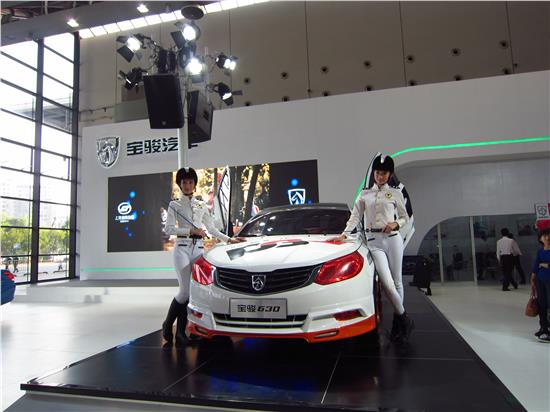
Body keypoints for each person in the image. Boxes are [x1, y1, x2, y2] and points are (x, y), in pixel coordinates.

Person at [331, 154, 414, 343]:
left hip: (392, 240)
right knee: (386, 284)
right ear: (374, 173)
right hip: (374, 242)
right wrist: (345, 234)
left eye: (384, 173)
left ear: (389, 174)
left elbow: (405, 217)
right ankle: (405, 319)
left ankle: (398, 323)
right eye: (377, 173)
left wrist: (396, 224)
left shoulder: (395, 193)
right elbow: (355, 216)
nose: (380, 176)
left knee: (397, 282)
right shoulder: (364, 194)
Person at [162, 167, 244, 346]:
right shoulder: (174, 205)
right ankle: (169, 325)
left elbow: (212, 229)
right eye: (184, 182)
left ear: (194, 184)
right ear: (180, 184)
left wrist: (229, 239)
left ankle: (182, 332)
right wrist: (190, 231)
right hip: (182, 250)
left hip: (198, 250)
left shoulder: (201, 205)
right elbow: (168, 229)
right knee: (185, 291)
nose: (187, 185)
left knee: (193, 292)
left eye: (190, 182)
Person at [531, 228, 550, 342]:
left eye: (549, 235)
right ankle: (543, 328)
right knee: (541, 304)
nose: (547, 238)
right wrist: (533, 277)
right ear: (540, 239)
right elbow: (536, 264)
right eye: (544, 236)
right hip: (540, 280)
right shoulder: (540, 251)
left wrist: (544, 265)